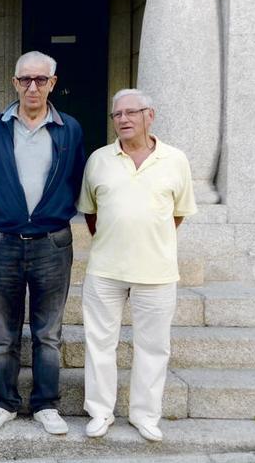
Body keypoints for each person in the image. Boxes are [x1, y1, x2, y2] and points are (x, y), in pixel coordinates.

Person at [0, 51, 86, 435]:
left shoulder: (69, 128)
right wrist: (10, 216)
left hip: (51, 245)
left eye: (41, 80)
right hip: (3, 243)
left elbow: (74, 179)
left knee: (48, 334)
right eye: (25, 80)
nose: (33, 87)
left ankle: (45, 404)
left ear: (53, 83)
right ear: (15, 83)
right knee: (3, 334)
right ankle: (4, 402)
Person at [78, 89, 197, 442]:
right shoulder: (99, 159)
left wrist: (149, 238)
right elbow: (91, 211)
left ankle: (145, 415)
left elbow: (177, 214)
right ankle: (100, 412)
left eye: (132, 112)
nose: (124, 120)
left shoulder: (176, 160)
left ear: (150, 115)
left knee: (154, 346)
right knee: (99, 342)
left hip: (157, 272)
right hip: (105, 269)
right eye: (118, 115)